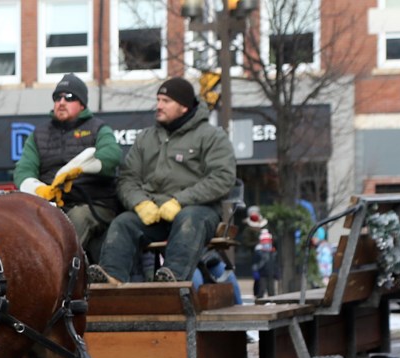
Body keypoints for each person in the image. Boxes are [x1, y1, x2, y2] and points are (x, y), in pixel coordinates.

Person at [87, 77, 236, 284]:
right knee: (124, 223)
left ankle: (172, 278)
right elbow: (127, 179)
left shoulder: (211, 136)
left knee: (189, 219)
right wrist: (140, 202)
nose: (158, 106)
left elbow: (222, 178)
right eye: (158, 100)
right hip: (154, 214)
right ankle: (111, 278)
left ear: (184, 106)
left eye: (166, 101)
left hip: (199, 212)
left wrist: (180, 201)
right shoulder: (145, 138)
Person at [14, 73, 122, 262]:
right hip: (52, 204)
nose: (61, 102)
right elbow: (23, 171)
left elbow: (112, 155)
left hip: (94, 204)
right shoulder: (38, 135)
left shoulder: (99, 128)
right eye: (57, 97)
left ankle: (61, 274)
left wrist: (80, 168)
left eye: (69, 97)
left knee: (76, 218)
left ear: (82, 104)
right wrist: (39, 189)